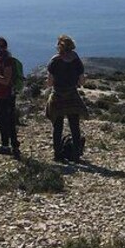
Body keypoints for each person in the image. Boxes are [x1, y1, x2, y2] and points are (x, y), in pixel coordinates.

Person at [45, 34, 88, 162]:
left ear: (59, 46)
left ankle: (57, 155)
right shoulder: (76, 59)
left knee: (57, 126)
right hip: (72, 95)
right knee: (74, 126)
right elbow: (81, 82)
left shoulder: (54, 60)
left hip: (57, 95)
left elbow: (50, 82)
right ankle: (76, 155)